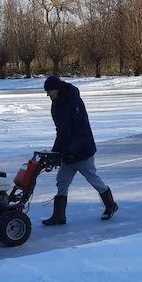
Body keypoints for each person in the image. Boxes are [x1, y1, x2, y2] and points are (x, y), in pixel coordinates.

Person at [41, 75, 118, 225]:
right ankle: (59, 216)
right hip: (68, 153)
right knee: (62, 181)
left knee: (93, 179)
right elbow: (60, 131)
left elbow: (82, 130)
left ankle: (111, 205)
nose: (48, 94)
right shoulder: (55, 105)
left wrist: (71, 149)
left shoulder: (74, 101)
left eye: (49, 91)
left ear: (57, 89)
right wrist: (55, 152)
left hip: (83, 152)